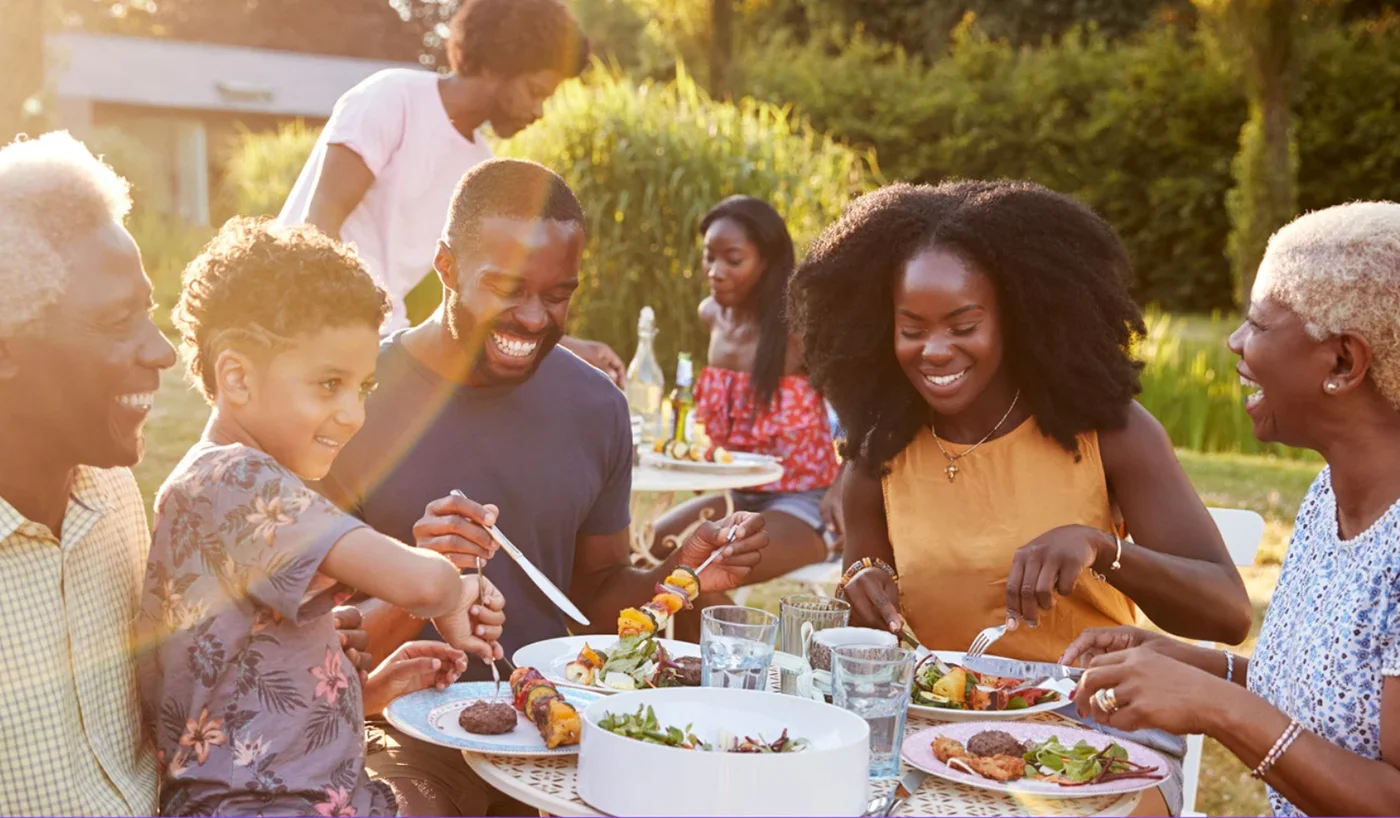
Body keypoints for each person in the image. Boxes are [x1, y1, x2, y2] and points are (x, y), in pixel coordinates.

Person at [0, 131, 448, 816]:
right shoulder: (225, 483)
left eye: (147, 312)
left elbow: (188, 684)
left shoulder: (115, 498)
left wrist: (342, 695)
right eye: (117, 321)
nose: (159, 350)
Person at [316, 158, 771, 815]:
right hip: (400, 736)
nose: (533, 318)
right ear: (445, 267)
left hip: (562, 739)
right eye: (506, 288)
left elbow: (593, 599)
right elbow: (310, 636)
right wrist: (426, 578)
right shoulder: (358, 396)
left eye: (558, 294)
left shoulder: (596, 408)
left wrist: (681, 573)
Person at [136, 218, 510, 815]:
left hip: (295, 790)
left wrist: (365, 691)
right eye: (328, 384)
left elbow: (245, 684)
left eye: (362, 386)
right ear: (236, 377)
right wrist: (452, 587)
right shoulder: (237, 480)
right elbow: (420, 581)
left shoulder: (229, 484)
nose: (351, 414)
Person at [787, 180, 1251, 658]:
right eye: (911, 330)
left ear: (1018, 317)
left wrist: (1100, 550)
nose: (936, 350)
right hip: (934, 723)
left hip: (1083, 716)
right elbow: (868, 625)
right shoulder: (880, 448)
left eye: (963, 327)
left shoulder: (1111, 432)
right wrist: (862, 587)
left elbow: (1229, 614)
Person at [1067, 201, 1400, 817]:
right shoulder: (1330, 495)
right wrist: (1193, 665)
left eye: (1259, 326)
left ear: (1344, 362)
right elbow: (1337, 705)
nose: (1234, 342)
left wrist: (1217, 707)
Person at [276, 0, 625, 384]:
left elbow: (461, 290)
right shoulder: (394, 99)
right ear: (498, 64)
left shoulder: (479, 167)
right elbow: (319, 222)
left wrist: (564, 347)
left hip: (376, 339)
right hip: (301, 319)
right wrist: (335, 332)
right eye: (534, 91)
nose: (539, 111)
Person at [650, 196, 844, 639]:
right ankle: (744, 654)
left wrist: (845, 486)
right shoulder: (710, 317)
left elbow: (858, 412)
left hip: (803, 501)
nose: (715, 271)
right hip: (736, 494)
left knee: (696, 569)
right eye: (709, 257)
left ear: (769, 261)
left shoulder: (801, 331)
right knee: (649, 555)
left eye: (732, 259)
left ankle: (749, 664)